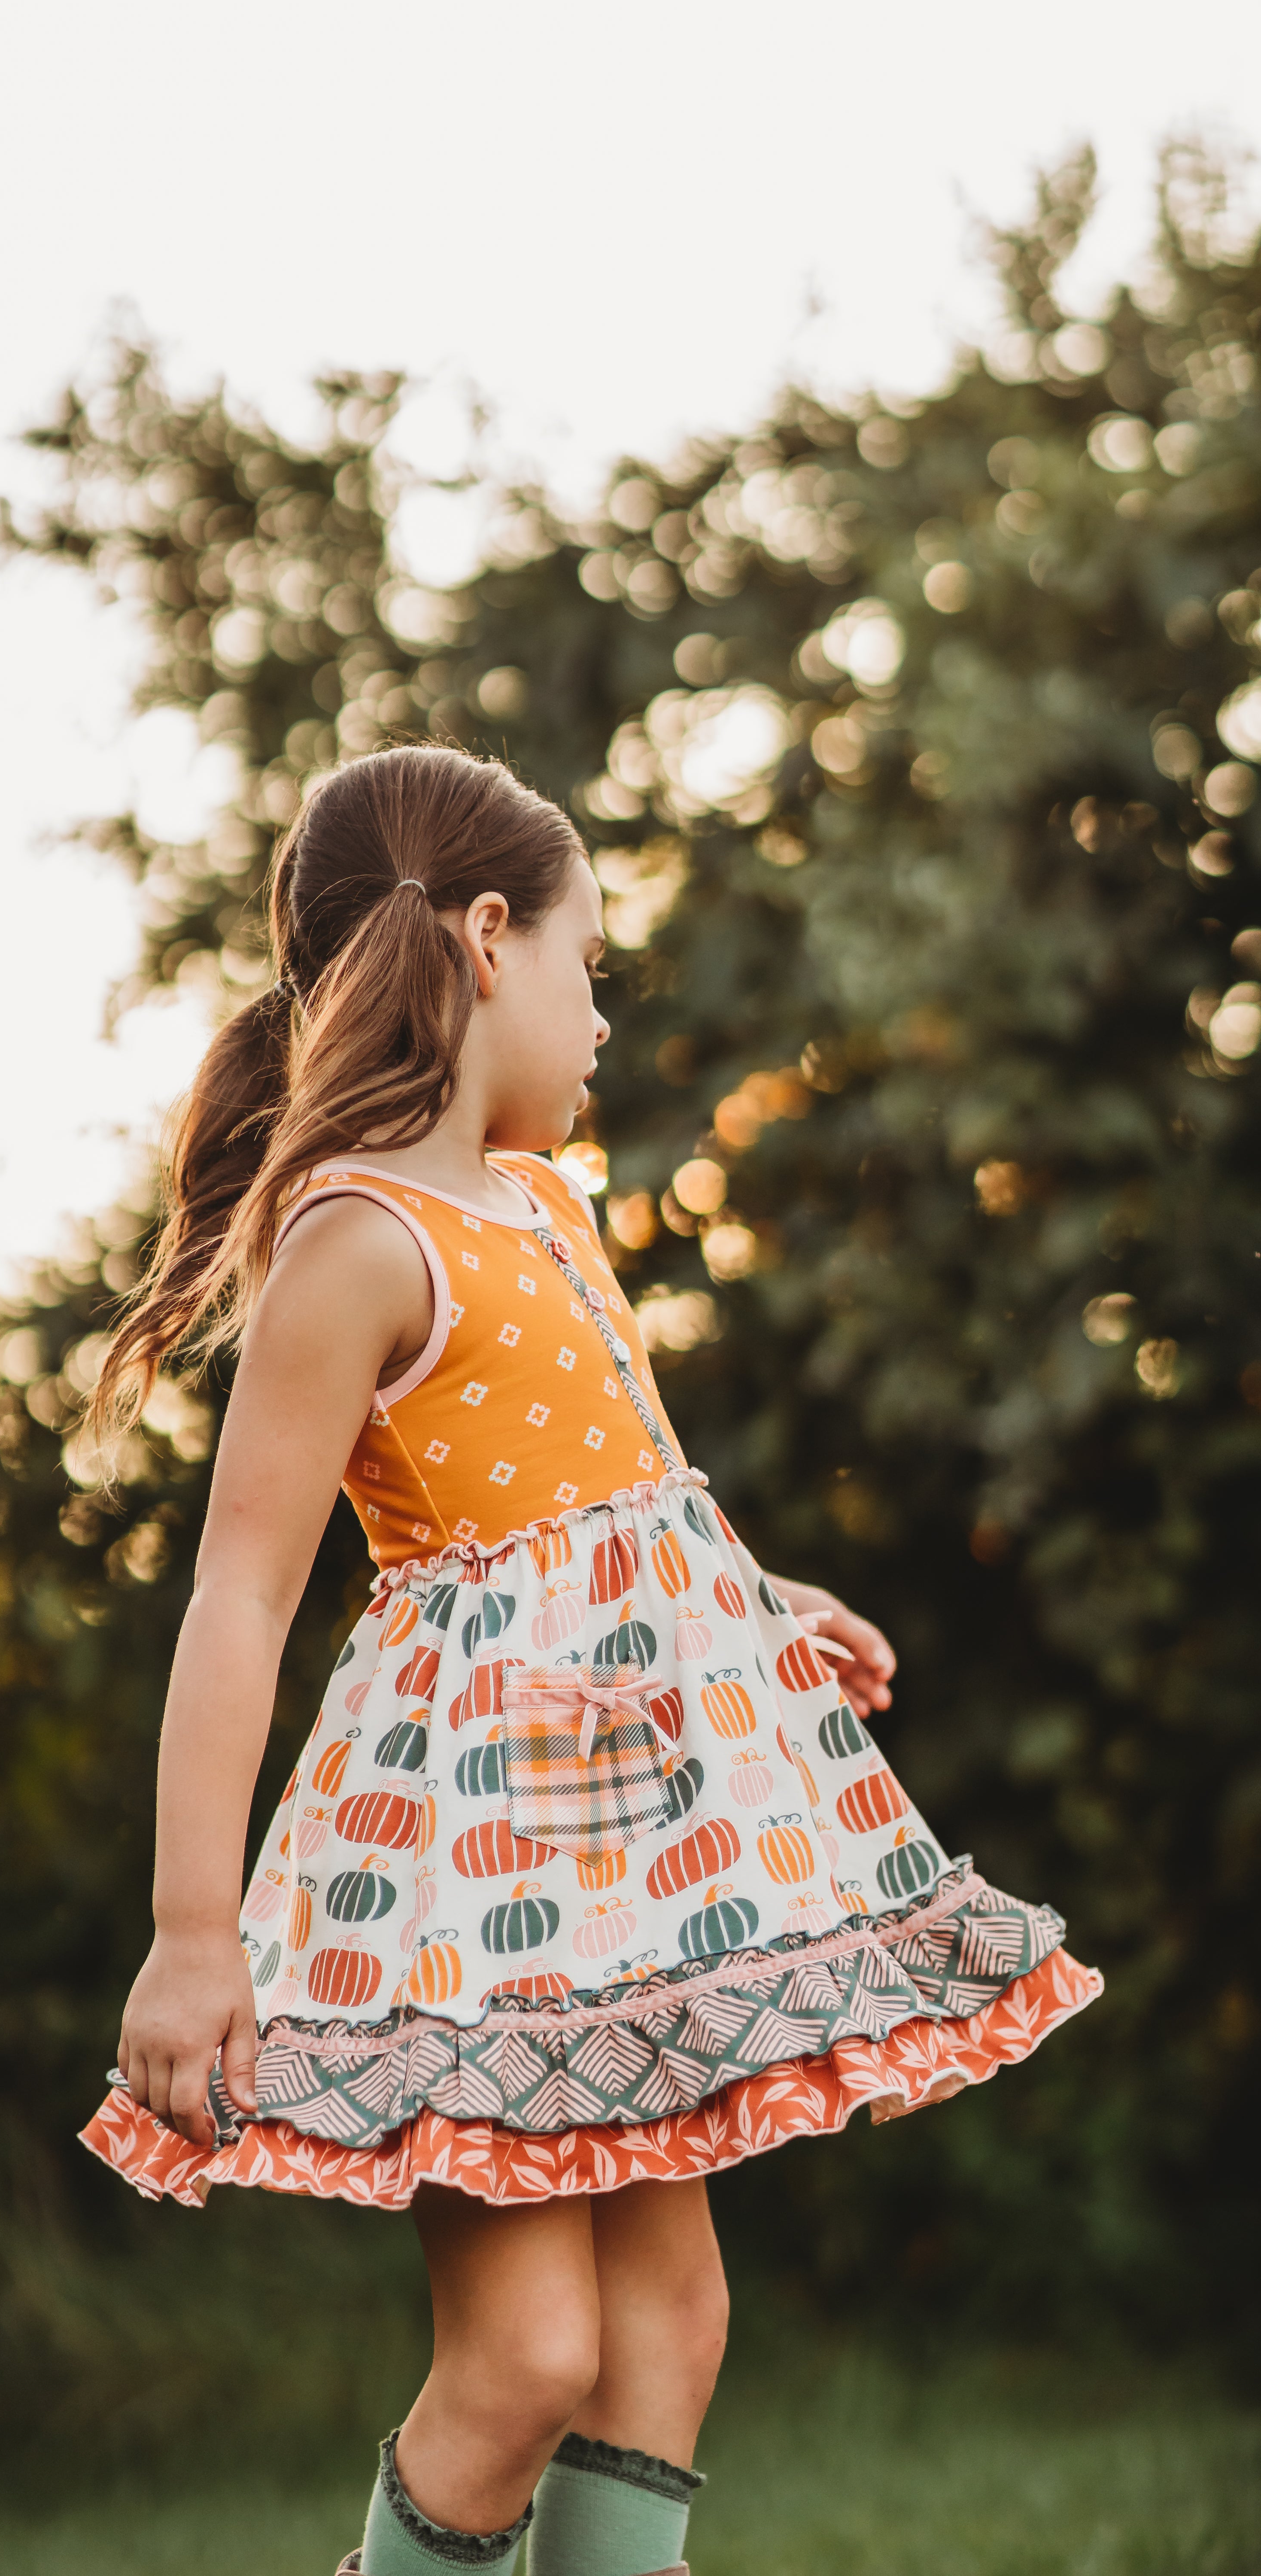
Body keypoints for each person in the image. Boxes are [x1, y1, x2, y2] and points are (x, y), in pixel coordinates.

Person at [79, 745, 1101, 2576]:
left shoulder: (549, 1207)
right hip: (475, 1881)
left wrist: (746, 1608)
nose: (604, 1025)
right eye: (589, 970)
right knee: (527, 2357)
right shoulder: (355, 1242)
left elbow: (606, 1508)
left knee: (668, 2337)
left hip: (624, 1854)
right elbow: (239, 1592)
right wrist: (190, 1927)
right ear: (486, 940)